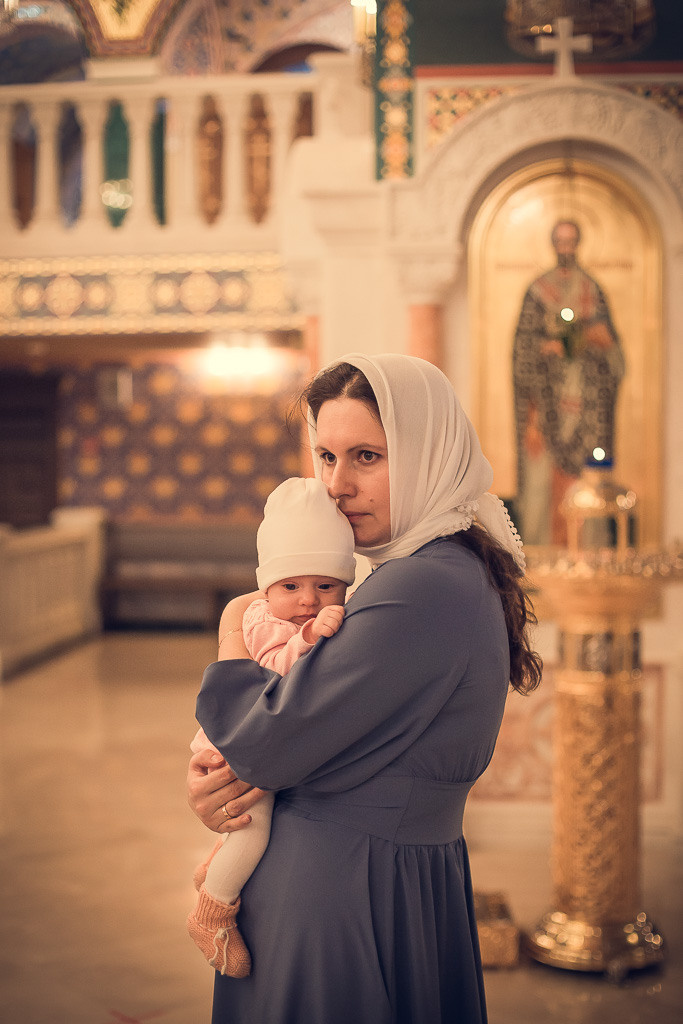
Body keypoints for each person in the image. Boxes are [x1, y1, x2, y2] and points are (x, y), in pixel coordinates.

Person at [187, 353, 543, 1024]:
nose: (336, 485)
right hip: (377, 877)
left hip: (341, 891)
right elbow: (300, 739)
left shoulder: (421, 584)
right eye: (325, 457)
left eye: (367, 457)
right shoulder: (434, 568)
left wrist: (233, 630)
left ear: (428, 452)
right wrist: (224, 787)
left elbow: (265, 745)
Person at [187, 476, 356, 977]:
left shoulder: (297, 610)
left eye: (326, 586)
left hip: (268, 744)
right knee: (253, 830)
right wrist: (308, 637)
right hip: (238, 746)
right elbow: (270, 674)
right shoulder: (262, 620)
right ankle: (212, 910)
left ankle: (214, 869)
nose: (308, 599)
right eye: (292, 586)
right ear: (268, 587)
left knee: (248, 828)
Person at [512, 219, 625, 545]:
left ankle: (588, 554)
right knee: (540, 486)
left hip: (585, 412)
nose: (566, 248)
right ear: (553, 244)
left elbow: (614, 355)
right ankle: (539, 554)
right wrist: (533, 414)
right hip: (546, 412)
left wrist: (580, 341)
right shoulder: (537, 292)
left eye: (571, 241)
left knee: (587, 485)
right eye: (560, 242)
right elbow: (523, 353)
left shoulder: (592, 290)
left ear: (578, 244)